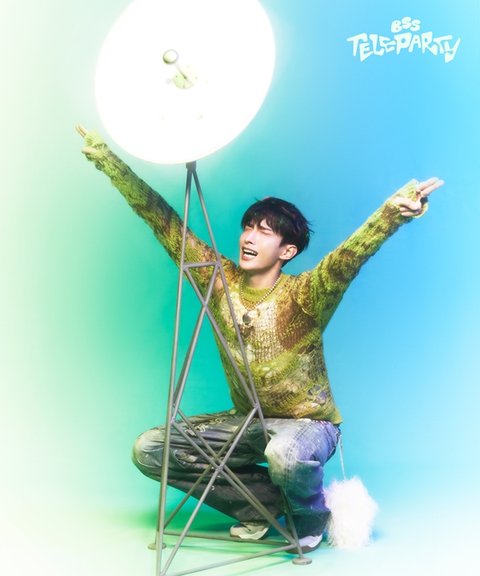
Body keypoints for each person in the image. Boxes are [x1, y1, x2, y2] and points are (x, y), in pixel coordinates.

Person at [76, 125, 443, 552]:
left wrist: (392, 213)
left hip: (309, 426)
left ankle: (310, 516)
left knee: (284, 454)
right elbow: (165, 222)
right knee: (151, 449)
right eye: (248, 227)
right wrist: (108, 161)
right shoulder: (218, 282)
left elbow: (349, 256)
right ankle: (262, 507)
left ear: (287, 251)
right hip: (248, 421)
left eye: (264, 232)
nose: (249, 237)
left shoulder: (306, 294)